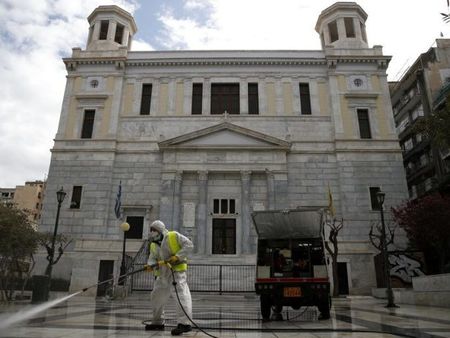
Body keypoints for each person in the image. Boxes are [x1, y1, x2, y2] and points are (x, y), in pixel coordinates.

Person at [144, 220, 194, 336]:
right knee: (156, 296)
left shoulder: (173, 235)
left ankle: (185, 324)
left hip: (176, 271)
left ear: (159, 230)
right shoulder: (153, 244)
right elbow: (153, 257)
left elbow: (189, 245)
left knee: (181, 296)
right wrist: (150, 265)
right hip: (162, 274)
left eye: (153, 230)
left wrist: (177, 256)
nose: (151, 232)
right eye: (151, 230)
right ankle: (157, 322)